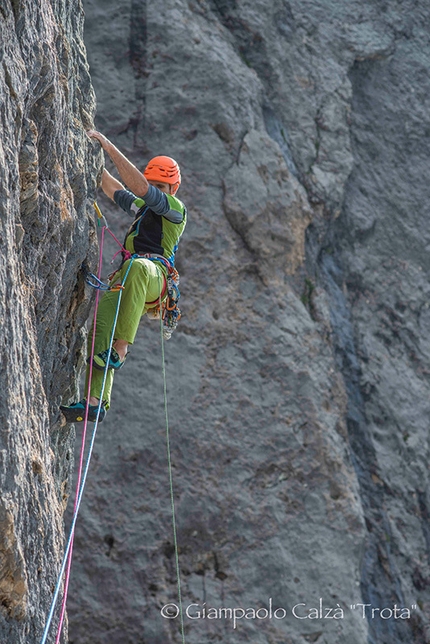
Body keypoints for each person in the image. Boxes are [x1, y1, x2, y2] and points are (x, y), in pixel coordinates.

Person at [60, 131, 187, 423]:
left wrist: (108, 146)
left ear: (173, 188)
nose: (157, 190)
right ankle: (95, 402)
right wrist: (87, 153)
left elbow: (140, 188)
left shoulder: (175, 210)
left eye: (163, 186)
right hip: (130, 277)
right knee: (101, 326)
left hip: (154, 276)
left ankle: (122, 347)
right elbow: (115, 189)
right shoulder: (142, 209)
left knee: (139, 266)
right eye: (155, 184)